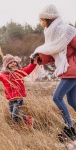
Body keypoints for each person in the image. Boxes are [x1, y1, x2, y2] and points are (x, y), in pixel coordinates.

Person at [30, 4, 76, 139]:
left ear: (48, 19)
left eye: (42, 19)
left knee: (57, 97)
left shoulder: (67, 31)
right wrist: (39, 58)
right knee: (73, 101)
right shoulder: (51, 34)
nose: (40, 22)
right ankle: (70, 128)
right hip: (67, 70)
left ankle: (69, 127)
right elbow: (51, 54)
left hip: (72, 69)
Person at [0, 54, 36, 127]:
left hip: (18, 98)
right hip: (10, 100)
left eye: (14, 62)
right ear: (6, 65)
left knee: (15, 114)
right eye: (10, 63)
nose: (13, 64)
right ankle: (20, 125)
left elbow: (28, 69)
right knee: (12, 115)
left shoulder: (19, 72)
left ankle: (27, 120)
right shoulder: (3, 75)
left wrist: (33, 63)